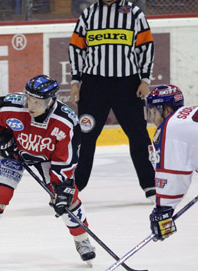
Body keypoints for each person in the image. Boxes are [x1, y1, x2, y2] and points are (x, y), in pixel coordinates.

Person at [0, 75, 96, 263]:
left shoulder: (66, 122)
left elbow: (66, 159)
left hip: (46, 159)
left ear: (50, 101)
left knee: (66, 198)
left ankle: (82, 240)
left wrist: (62, 187)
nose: (30, 105)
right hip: (12, 154)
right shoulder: (11, 106)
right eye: (28, 98)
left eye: (37, 102)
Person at [68, 0, 156, 202]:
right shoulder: (89, 14)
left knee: (138, 135)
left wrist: (145, 79)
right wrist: (75, 81)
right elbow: (76, 47)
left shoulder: (134, 13)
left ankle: (150, 184)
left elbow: (146, 46)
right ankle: (74, 185)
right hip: (93, 85)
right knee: (84, 136)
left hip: (128, 85)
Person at [147, 84, 198, 271]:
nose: (151, 118)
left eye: (153, 112)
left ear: (166, 110)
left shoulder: (170, 128)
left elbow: (174, 174)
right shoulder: (191, 114)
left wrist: (163, 210)